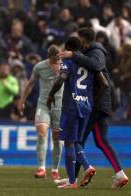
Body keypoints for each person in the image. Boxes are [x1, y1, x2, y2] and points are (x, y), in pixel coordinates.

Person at [60, 28, 129, 188]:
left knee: (84, 140)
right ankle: (117, 175)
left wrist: (74, 55)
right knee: (96, 141)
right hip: (96, 104)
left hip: (95, 105)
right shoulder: (91, 51)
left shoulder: (96, 51)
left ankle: (75, 179)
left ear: (84, 39)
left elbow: (97, 66)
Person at [47, 36, 108, 188]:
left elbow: (61, 79)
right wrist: (92, 101)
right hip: (86, 106)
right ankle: (86, 168)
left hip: (71, 106)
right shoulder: (89, 63)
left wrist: (50, 95)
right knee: (76, 142)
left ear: (68, 48)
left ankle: (73, 181)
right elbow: (104, 83)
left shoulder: (68, 61)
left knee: (68, 142)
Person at [18, 45, 63, 180]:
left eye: (58, 62)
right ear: (48, 58)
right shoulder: (39, 67)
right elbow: (31, 83)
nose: (56, 66)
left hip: (59, 106)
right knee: (42, 133)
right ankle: (41, 169)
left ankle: (55, 169)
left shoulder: (66, 67)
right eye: (53, 62)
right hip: (43, 105)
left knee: (56, 137)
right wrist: (22, 100)